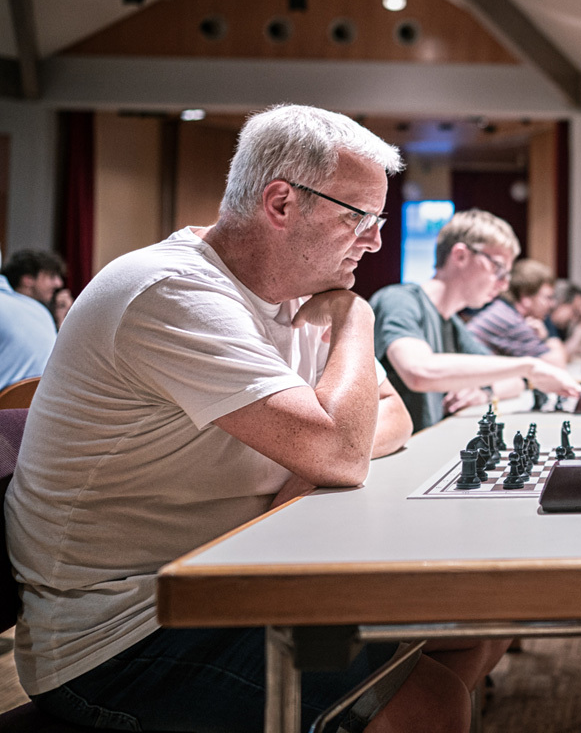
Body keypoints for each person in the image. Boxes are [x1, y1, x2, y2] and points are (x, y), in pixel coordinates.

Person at [5, 105, 505, 733]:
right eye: (359, 217)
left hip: (234, 578)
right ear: (281, 203)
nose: (376, 241)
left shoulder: (295, 293)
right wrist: (356, 319)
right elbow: (343, 452)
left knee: (474, 624)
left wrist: (309, 468)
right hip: (120, 635)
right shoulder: (173, 291)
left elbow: (392, 413)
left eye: (378, 221)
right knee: (430, 704)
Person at [371, 209, 581, 433]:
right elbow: (418, 372)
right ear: (461, 256)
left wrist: (484, 391)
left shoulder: (453, 325)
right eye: (498, 267)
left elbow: (514, 382)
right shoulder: (399, 300)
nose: (504, 284)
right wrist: (529, 366)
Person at [467, 258, 568, 366]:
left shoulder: (505, 311)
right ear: (526, 297)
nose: (552, 304)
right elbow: (558, 365)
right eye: (547, 297)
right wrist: (548, 339)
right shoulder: (510, 321)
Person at [0, 245, 57, 390]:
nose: (58, 283)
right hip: (37, 404)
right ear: (27, 279)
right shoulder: (42, 313)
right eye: (51, 276)